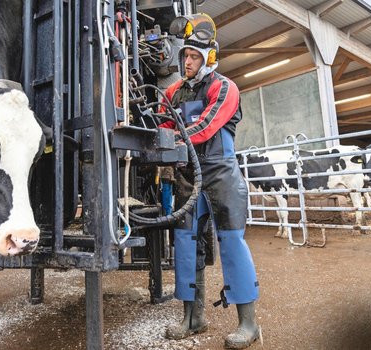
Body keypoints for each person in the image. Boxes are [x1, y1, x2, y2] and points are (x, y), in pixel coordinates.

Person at [159, 14, 261, 349]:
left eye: (194, 57)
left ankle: (249, 324)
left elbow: (206, 124)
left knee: (232, 243)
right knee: (186, 244)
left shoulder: (224, 87)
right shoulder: (172, 93)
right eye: (184, 56)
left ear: (209, 58)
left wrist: (172, 140)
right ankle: (193, 317)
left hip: (220, 173)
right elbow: (163, 125)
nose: (187, 62)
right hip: (189, 177)